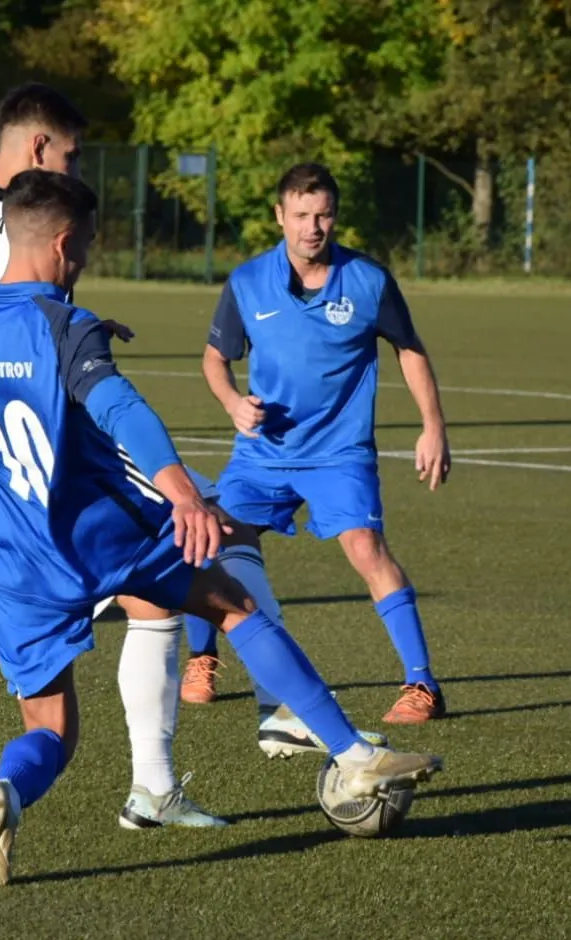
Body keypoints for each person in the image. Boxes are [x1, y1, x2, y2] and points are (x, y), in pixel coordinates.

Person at [0, 170, 442, 886]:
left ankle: (7, 793)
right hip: (98, 535)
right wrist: (182, 494)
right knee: (231, 602)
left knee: (49, 730)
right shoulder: (66, 331)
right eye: (86, 246)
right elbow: (122, 410)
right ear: (62, 242)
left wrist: (76, 346)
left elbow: (1, 376)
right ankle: (350, 753)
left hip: (9, 556)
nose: (85, 259)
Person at [0, 87, 333, 828]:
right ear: (39, 150)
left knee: (144, 605)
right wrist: (64, 355)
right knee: (217, 525)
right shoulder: (35, 217)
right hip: (64, 448)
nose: (75, 170)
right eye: (70, 156)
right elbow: (51, 340)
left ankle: (152, 789)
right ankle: (281, 711)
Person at [198, 162, 453, 725]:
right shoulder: (247, 281)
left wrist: (433, 425)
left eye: (324, 215)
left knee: (366, 548)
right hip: (265, 452)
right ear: (279, 216)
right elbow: (215, 360)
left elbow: (409, 349)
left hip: (339, 453)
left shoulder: (368, 280)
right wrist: (233, 402)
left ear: (335, 216)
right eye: (301, 215)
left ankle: (422, 685)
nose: (312, 227)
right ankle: (201, 658)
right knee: (210, 536)